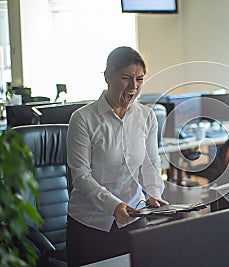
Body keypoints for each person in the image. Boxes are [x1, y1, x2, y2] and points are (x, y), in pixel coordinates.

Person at [66, 46, 168, 266]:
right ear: (107, 77)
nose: (134, 86)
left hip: (134, 218)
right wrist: (113, 206)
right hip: (90, 225)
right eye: (126, 78)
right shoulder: (83, 119)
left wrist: (153, 194)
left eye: (140, 79)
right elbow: (81, 177)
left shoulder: (147, 116)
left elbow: (150, 165)